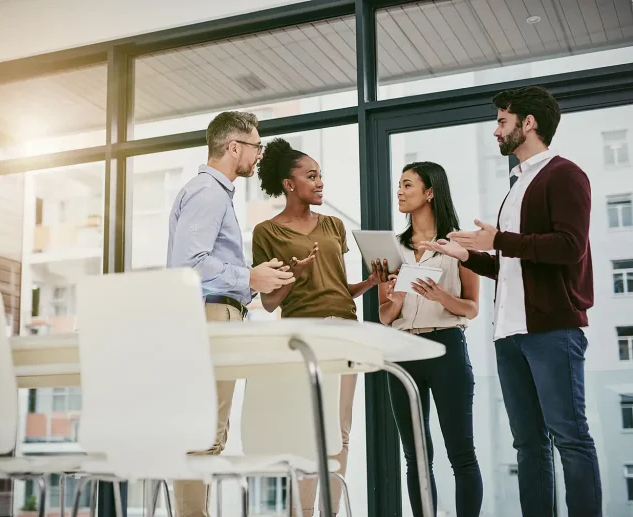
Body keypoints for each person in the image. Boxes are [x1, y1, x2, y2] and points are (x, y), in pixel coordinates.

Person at [421, 86, 602, 517]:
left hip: (552, 332)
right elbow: (514, 266)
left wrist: (498, 239)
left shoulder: (565, 175)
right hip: (510, 334)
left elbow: (569, 247)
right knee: (528, 445)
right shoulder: (517, 184)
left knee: (571, 439)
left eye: (503, 121)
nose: (496, 130)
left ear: (529, 123)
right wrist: (468, 255)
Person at [167, 111, 296, 517]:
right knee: (202, 434)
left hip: (214, 315)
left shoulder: (212, 192)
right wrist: (250, 277)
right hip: (212, 316)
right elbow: (190, 264)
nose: (259, 154)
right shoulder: (208, 192)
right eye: (256, 145)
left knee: (205, 432)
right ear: (233, 146)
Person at [251, 138, 380, 517]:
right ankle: (302, 513)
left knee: (340, 429)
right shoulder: (267, 232)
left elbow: (338, 290)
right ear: (290, 184)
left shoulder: (334, 226)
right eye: (312, 176)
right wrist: (294, 275)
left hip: (345, 331)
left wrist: (370, 283)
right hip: (303, 336)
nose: (320, 182)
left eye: (321, 175)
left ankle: (330, 512)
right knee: (307, 430)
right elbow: (270, 301)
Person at [372, 161, 482, 517]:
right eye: (399, 185)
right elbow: (384, 317)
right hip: (403, 351)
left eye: (407, 185)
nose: (399, 192)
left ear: (430, 192)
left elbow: (471, 307)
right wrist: (396, 299)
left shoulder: (458, 244)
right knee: (416, 455)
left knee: (461, 453)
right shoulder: (393, 248)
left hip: (446, 348)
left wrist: (440, 297)